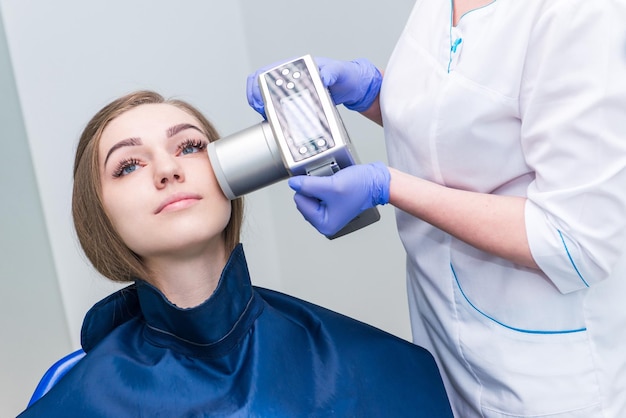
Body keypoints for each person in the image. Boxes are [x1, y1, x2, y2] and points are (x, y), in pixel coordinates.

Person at [246, 1, 626, 417]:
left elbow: (574, 241)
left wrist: (389, 186)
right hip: (442, 341)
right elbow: (460, 128)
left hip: (544, 373)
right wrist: (373, 93)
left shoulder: (580, 15)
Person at [19, 90, 453, 417]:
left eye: (190, 147)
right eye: (128, 165)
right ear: (99, 216)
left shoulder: (377, 365)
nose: (169, 170)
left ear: (234, 172)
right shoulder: (74, 400)